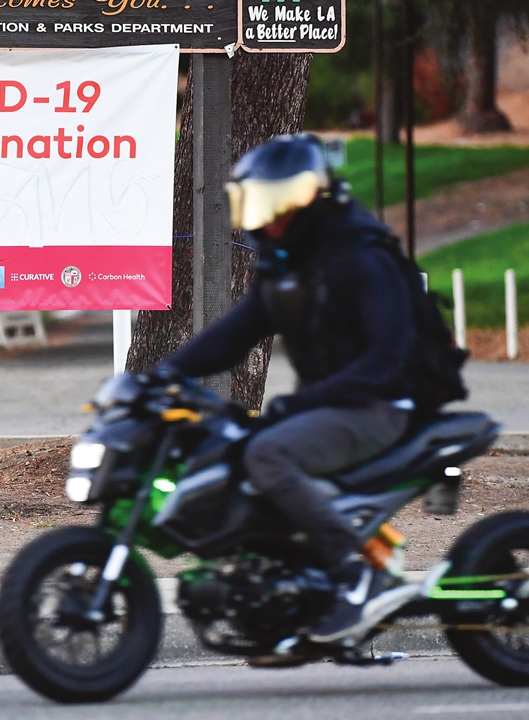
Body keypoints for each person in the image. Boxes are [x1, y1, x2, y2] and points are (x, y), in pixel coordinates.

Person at [159, 133, 418, 644]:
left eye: (275, 205)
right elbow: (233, 335)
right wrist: (163, 375)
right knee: (234, 450)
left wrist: (308, 401)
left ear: (307, 200)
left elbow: (390, 357)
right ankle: (289, 579)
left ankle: (354, 574)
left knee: (269, 454)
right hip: (332, 406)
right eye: (257, 204)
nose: (265, 218)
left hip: (378, 406)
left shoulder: (359, 255)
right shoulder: (285, 265)